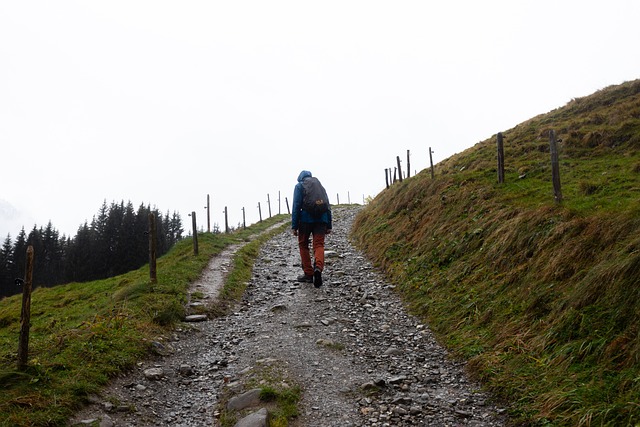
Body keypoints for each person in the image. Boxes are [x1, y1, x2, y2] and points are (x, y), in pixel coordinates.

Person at [292, 170, 332, 287]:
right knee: (319, 245)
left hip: (305, 220)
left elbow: (296, 205)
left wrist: (294, 226)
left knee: (303, 244)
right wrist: (329, 224)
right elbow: (327, 205)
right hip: (322, 219)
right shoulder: (320, 186)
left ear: (300, 178)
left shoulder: (299, 186)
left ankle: (309, 274)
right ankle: (318, 268)